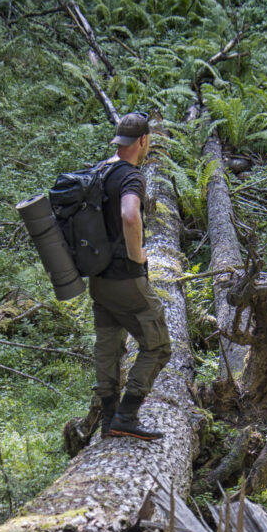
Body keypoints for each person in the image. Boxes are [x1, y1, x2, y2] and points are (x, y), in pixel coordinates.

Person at [91, 112, 172, 442]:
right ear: (143, 141)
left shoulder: (100, 170)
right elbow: (129, 214)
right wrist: (137, 254)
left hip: (98, 280)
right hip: (126, 278)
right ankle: (127, 414)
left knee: (109, 346)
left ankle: (108, 418)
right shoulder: (131, 176)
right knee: (160, 345)